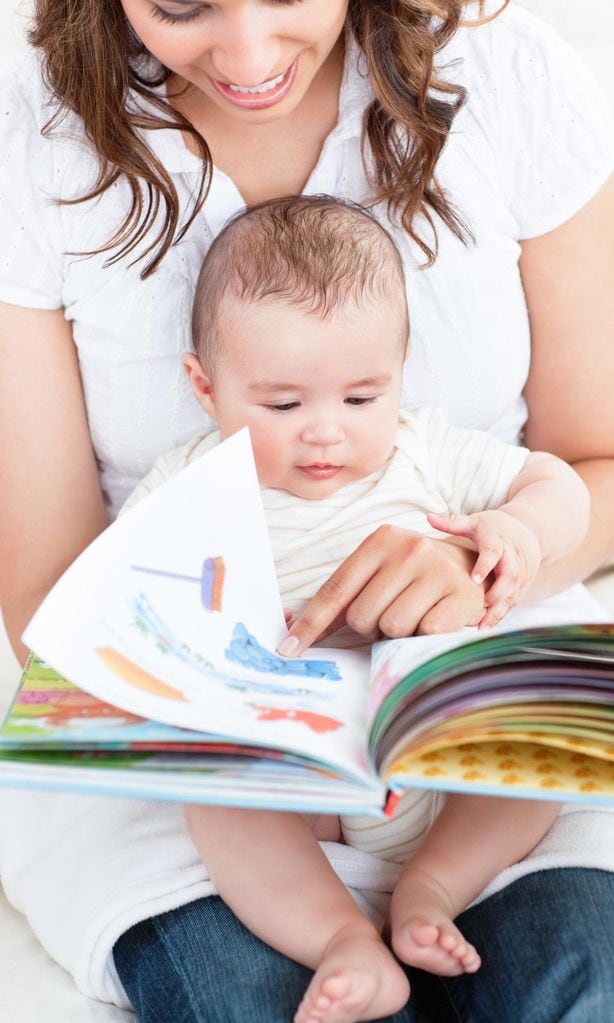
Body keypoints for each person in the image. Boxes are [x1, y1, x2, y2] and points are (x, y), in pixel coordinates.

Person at [0, 1, 613, 1021]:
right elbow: (61, 601)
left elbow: (585, 463)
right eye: (180, 5)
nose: (244, 57)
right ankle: (336, 932)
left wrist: (490, 562)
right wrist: (247, 697)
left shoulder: (501, 80)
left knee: (571, 984)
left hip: (465, 693)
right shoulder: (30, 145)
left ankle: (432, 887)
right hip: (220, 739)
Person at [121, 192, 592, 1023]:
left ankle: (431, 889)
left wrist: (519, 528)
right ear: (205, 386)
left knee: (541, 748)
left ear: (402, 375)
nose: (326, 433)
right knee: (217, 796)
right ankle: (341, 937)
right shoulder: (192, 489)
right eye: (283, 405)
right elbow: (132, 595)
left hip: (441, 743)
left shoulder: (424, 449)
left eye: (362, 397)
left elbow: (558, 483)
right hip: (302, 780)